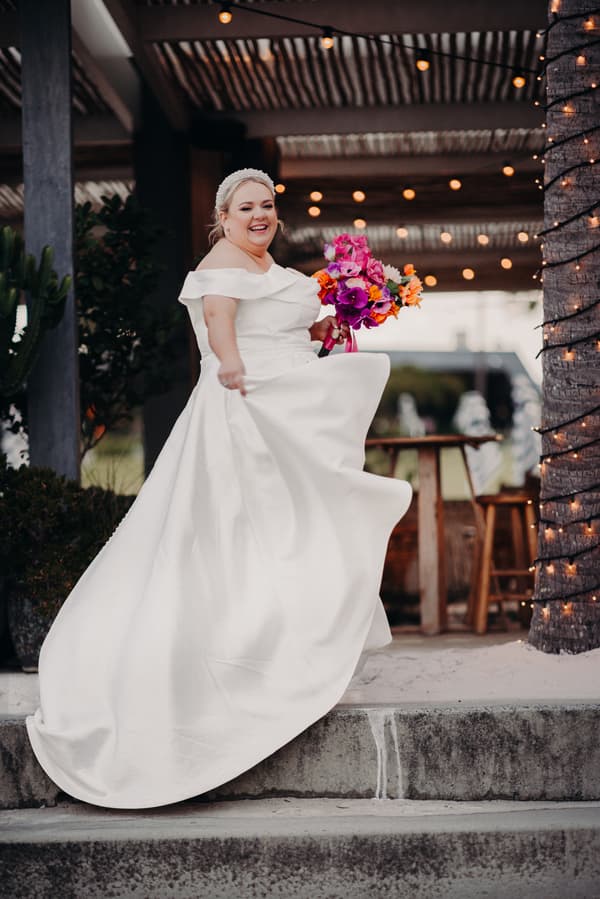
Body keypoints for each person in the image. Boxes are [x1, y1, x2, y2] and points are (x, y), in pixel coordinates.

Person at [26, 168, 412, 810]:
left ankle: (291, 641)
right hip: (246, 406)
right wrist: (229, 359)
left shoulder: (271, 268)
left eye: (267, 205)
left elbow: (288, 331)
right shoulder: (220, 265)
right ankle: (237, 655)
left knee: (304, 523)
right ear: (224, 218)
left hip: (291, 404)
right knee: (243, 532)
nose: (259, 215)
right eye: (246, 208)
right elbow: (219, 315)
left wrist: (328, 326)